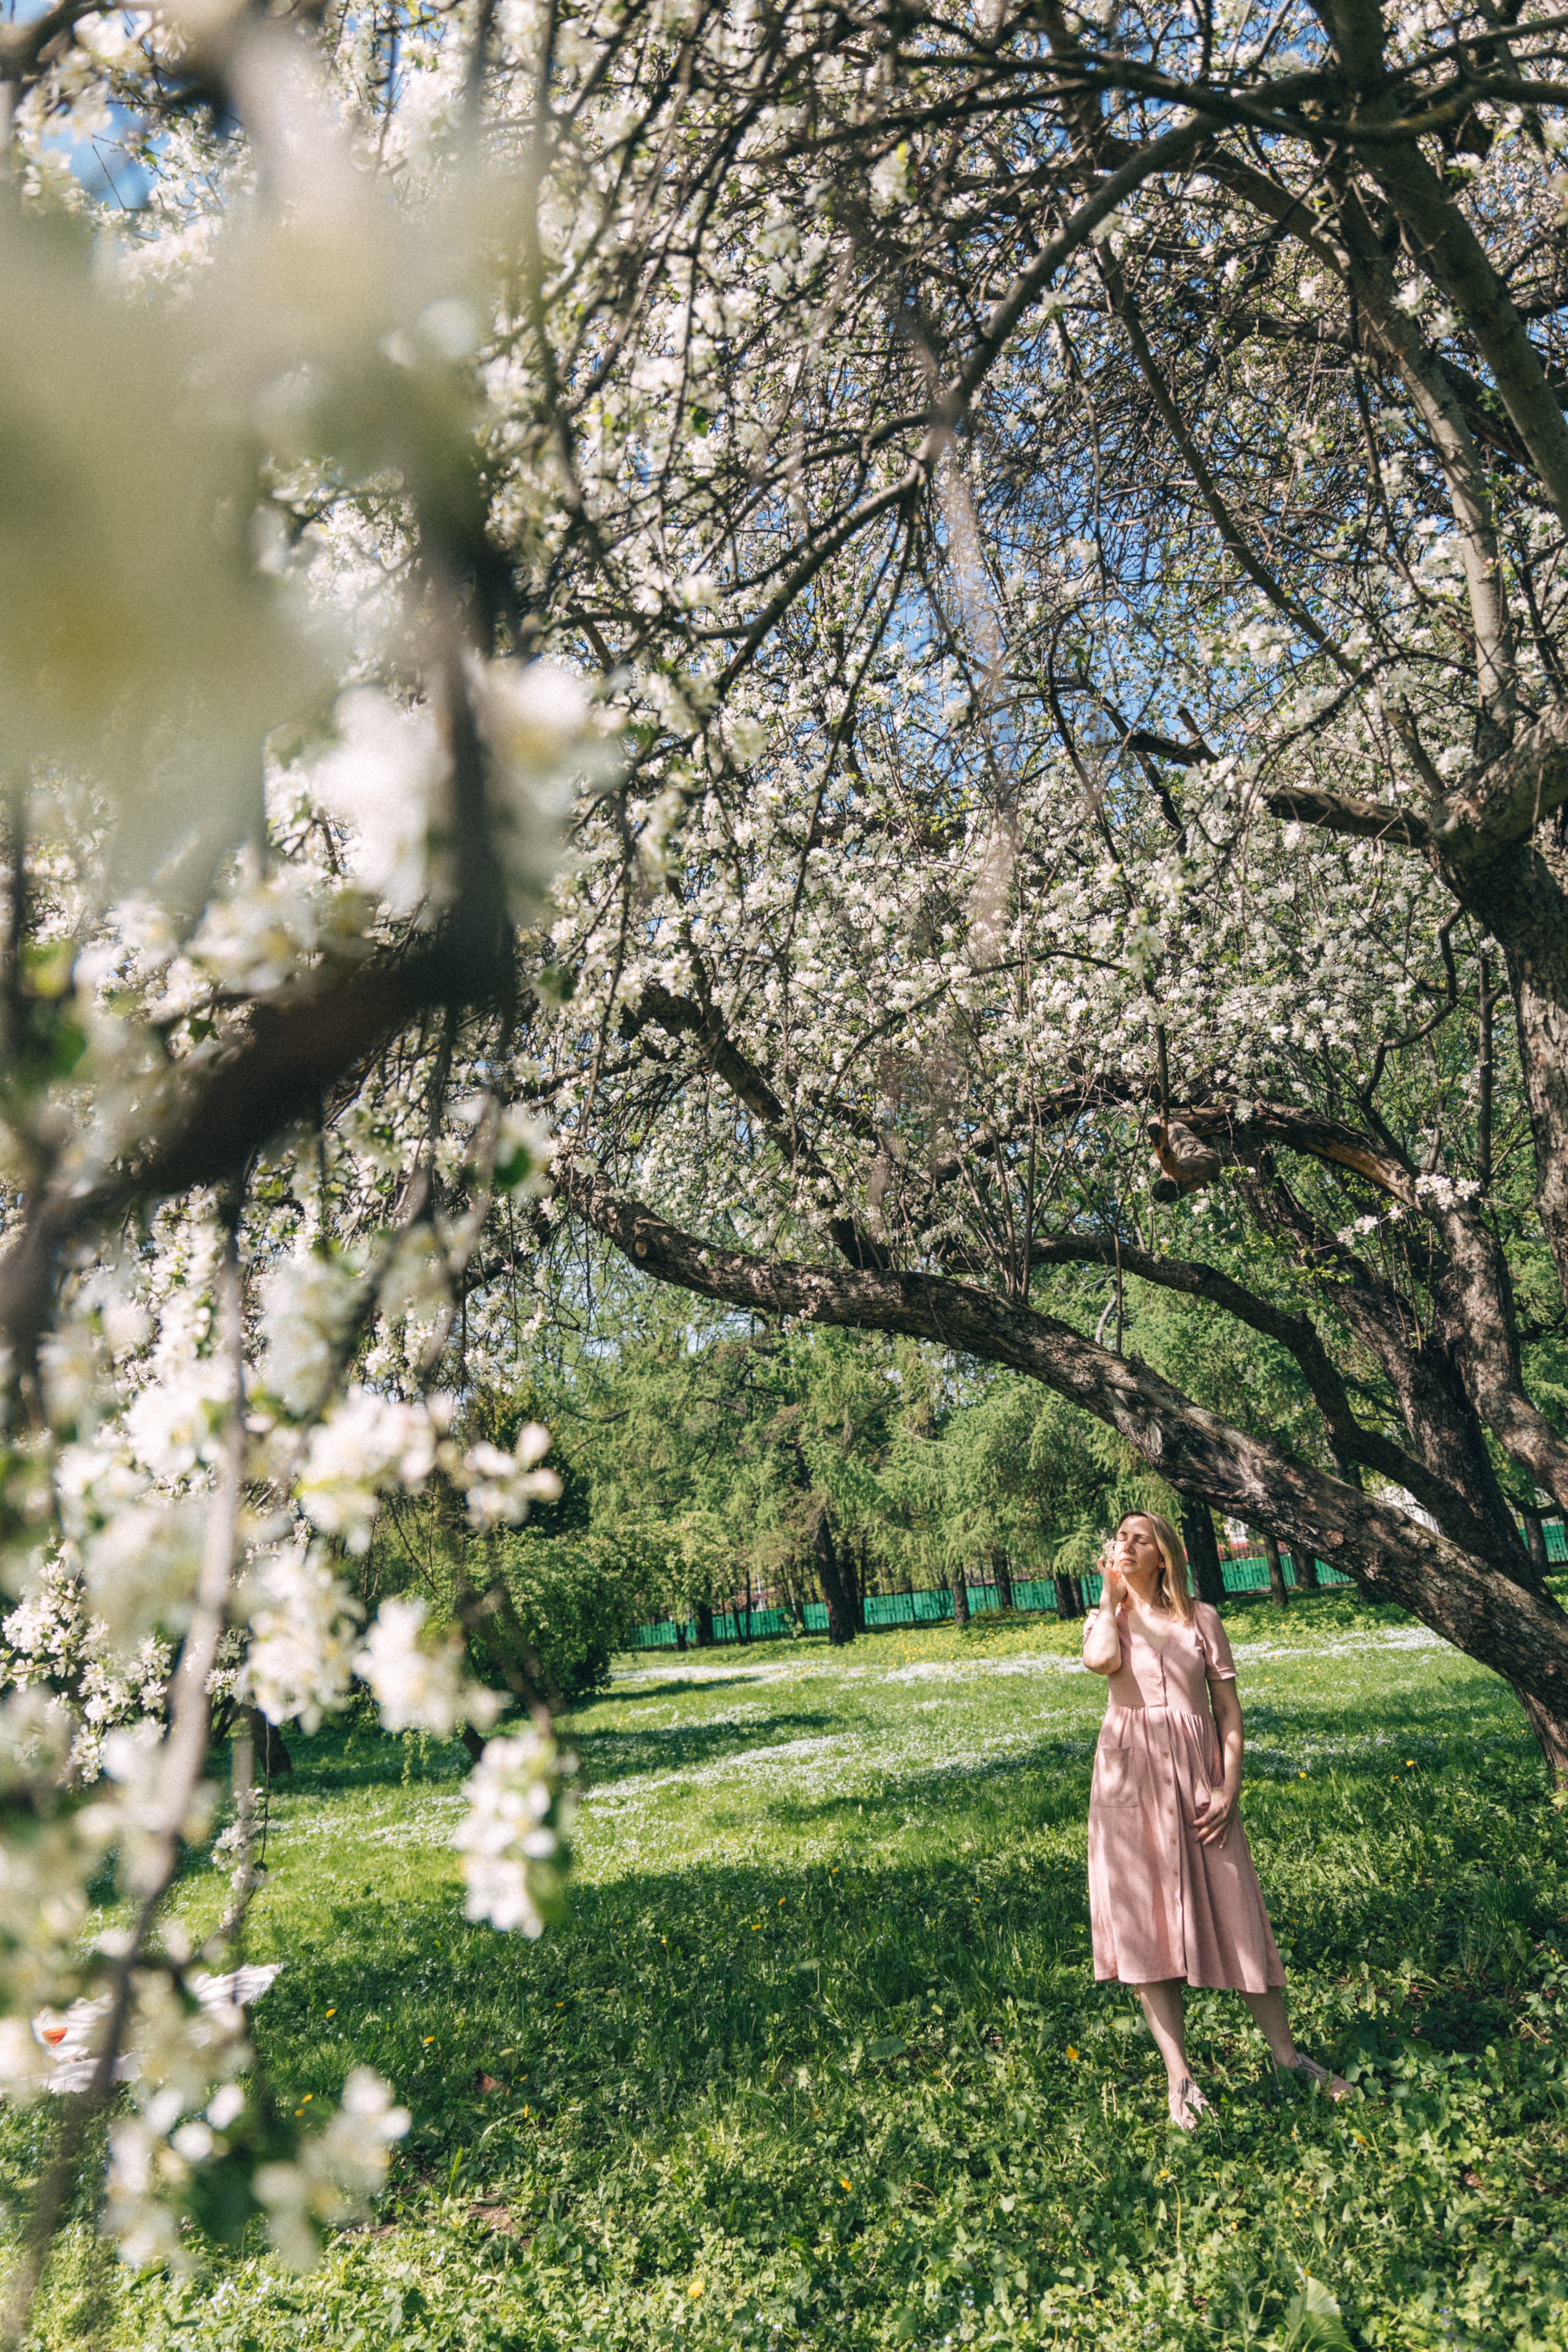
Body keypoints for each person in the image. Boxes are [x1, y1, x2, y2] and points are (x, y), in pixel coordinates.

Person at [1082, 1509, 1349, 2127]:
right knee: (1145, 1926)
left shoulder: (1202, 1619)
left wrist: (1229, 1786)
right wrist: (1108, 1596)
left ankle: (1289, 2059)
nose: (1125, 1545)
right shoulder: (1105, 1621)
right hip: (1129, 1785)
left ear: (1164, 1555)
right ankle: (1179, 2078)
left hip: (1200, 1782)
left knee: (1239, 1911)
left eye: (1139, 1539)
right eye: (1119, 1538)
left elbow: (1227, 1710)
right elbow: (1100, 1663)